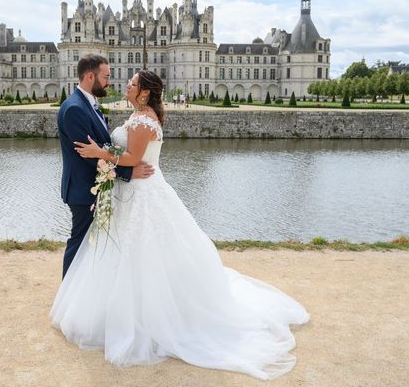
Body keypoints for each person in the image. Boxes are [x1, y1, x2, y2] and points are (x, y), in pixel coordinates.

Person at [51, 70, 310, 380]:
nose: (126, 85)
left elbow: (132, 157)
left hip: (142, 194)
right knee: (129, 254)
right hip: (132, 191)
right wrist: (109, 158)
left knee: (140, 253)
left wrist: (99, 153)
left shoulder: (144, 120)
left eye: (132, 83)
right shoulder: (139, 115)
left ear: (144, 92)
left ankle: (143, 317)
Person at [57, 54, 154, 278]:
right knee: (79, 243)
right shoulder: (74, 109)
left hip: (94, 186)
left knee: (89, 246)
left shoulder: (86, 104)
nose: (110, 82)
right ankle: (68, 294)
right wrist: (128, 171)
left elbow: (101, 147)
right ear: (90, 76)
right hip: (83, 189)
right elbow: (89, 156)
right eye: (106, 76)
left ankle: (80, 294)